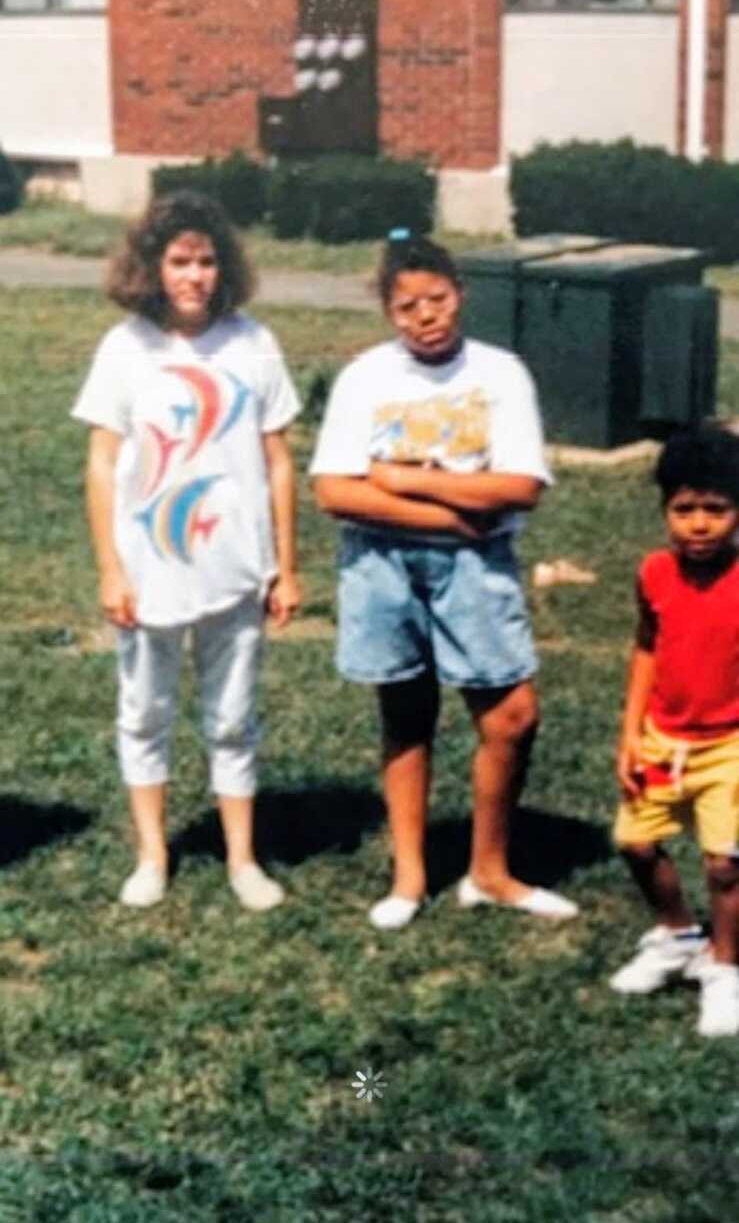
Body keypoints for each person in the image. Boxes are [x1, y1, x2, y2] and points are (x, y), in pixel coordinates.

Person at [310, 228, 578, 929]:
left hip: (473, 569)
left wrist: (395, 477)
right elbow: (336, 493)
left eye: (436, 299)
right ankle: (409, 875)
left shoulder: (498, 373)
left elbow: (520, 486)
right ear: (389, 313)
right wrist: (452, 514)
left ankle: (489, 871)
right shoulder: (366, 377)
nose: (425, 316)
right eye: (407, 307)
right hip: (380, 565)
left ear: (459, 294)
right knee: (405, 712)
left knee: (512, 714)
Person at [72, 191, 301, 910]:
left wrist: (285, 567)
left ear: (222, 266)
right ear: (152, 266)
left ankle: (241, 860)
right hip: (148, 572)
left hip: (235, 567)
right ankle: (152, 855)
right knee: (145, 711)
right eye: (179, 261)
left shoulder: (253, 342)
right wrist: (111, 567)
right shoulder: (125, 347)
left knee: (231, 717)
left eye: (205, 261)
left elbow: (279, 461)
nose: (194, 276)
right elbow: (103, 463)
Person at [610, 425, 739, 1037]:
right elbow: (645, 650)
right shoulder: (654, 574)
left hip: (729, 750)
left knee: (724, 864)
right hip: (663, 742)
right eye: (683, 509)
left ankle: (724, 969)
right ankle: (678, 932)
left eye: (716, 509)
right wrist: (631, 733)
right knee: (636, 842)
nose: (698, 524)